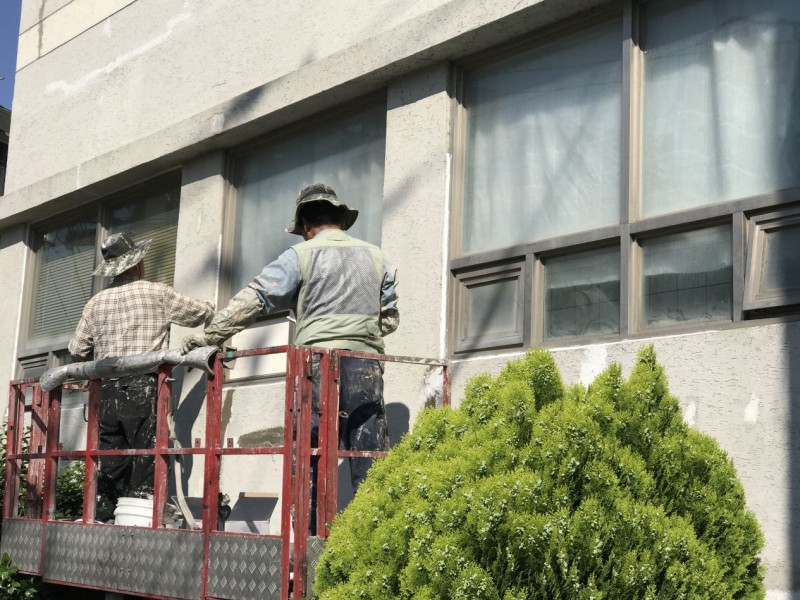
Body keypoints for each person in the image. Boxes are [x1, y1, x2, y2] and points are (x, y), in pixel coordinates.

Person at [182, 183, 399, 528]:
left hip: (316, 365)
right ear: (340, 218)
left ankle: (308, 539)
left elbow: (254, 300)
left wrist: (209, 336)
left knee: (309, 456)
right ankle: (371, 540)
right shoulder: (376, 257)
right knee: (368, 456)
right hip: (365, 367)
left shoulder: (300, 256)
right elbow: (389, 320)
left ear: (305, 224)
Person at [68, 233, 214, 521]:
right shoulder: (157, 292)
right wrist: (213, 312)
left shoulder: (96, 303)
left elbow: (76, 350)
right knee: (146, 456)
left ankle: (105, 518)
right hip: (144, 386)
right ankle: (138, 519)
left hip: (107, 392)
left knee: (112, 460)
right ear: (136, 264)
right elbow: (201, 313)